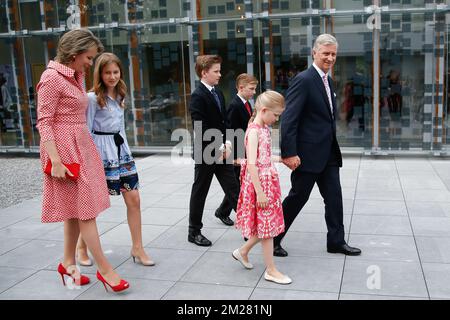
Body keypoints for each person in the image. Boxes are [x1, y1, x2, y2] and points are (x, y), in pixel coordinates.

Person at [36, 29, 129, 293]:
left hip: (80, 146)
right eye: (88, 58)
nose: (91, 63)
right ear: (75, 54)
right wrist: (55, 160)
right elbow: (44, 121)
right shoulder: (51, 78)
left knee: (75, 212)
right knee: (85, 211)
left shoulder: (75, 75)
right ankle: (105, 270)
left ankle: (68, 264)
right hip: (64, 151)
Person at [274, 34, 361, 257]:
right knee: (297, 197)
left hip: (328, 152)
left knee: (334, 197)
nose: (330, 58)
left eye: (333, 54)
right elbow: (289, 119)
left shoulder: (327, 80)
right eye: (326, 53)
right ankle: (272, 238)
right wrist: (289, 153)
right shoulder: (304, 80)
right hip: (307, 154)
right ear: (314, 53)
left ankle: (336, 242)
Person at [76, 52, 154, 267]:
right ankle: (82, 247)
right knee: (94, 205)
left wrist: (126, 152)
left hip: (121, 151)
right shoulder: (91, 99)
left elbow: (119, 127)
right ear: (99, 74)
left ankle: (137, 248)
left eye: (115, 72)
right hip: (100, 154)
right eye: (107, 72)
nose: (112, 76)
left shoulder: (120, 95)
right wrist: (89, 160)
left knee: (134, 199)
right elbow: (87, 130)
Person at [233, 90, 291, 285]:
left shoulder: (264, 128)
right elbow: (251, 164)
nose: (276, 119)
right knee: (267, 228)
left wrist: (282, 159)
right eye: (275, 115)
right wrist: (259, 192)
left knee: (267, 224)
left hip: (267, 181)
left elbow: (263, 158)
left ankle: (243, 251)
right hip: (260, 184)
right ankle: (271, 270)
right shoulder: (255, 131)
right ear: (264, 110)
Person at [188, 54, 240, 246]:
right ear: (204, 73)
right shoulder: (197, 95)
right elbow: (199, 127)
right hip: (206, 152)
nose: (220, 74)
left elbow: (224, 121)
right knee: (200, 191)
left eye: (219, 70)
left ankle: (250, 226)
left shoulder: (218, 93)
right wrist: (219, 146)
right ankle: (194, 232)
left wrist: (227, 144)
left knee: (234, 188)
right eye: (216, 71)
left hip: (221, 151)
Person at [217, 73, 258, 221]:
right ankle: (225, 212)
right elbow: (230, 130)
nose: (254, 92)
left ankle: (222, 211)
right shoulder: (235, 105)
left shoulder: (246, 103)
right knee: (236, 185)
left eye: (255, 89)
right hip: (237, 151)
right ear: (241, 88)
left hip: (244, 149)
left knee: (237, 184)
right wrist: (235, 156)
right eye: (251, 89)